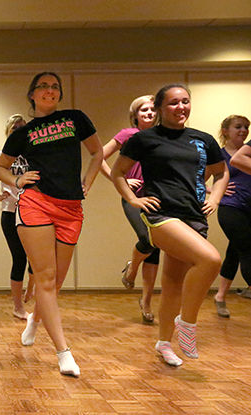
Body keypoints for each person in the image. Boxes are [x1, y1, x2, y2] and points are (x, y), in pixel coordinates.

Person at [111, 84, 228, 367]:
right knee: (211, 259)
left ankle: (164, 343)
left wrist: (215, 197)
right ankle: (187, 323)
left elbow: (221, 172)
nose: (181, 107)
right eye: (174, 103)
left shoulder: (203, 139)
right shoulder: (144, 139)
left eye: (185, 102)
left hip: (194, 216)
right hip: (160, 215)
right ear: (161, 108)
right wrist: (132, 199)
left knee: (173, 284)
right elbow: (118, 172)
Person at [0, 72, 103, 377]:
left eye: (55, 86)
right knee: (45, 278)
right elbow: (1, 167)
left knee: (54, 284)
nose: (50, 90)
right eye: (43, 86)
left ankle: (34, 320)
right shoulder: (23, 132)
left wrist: (88, 182)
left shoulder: (75, 118)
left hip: (71, 207)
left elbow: (97, 152)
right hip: (36, 203)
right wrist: (17, 180)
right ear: (32, 94)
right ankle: (63, 352)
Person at [100, 95, 160, 323]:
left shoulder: (163, 135)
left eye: (153, 109)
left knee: (157, 246)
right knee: (147, 239)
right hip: (133, 197)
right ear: (135, 114)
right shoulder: (127, 135)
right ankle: (133, 268)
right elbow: (100, 157)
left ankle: (146, 301)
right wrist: (120, 181)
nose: (149, 113)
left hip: (158, 198)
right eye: (144, 109)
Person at [0, 114, 35, 320]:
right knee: (19, 257)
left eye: (22, 128)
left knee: (36, 257)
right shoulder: (0, 156)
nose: (19, 132)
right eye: (15, 129)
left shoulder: (33, 155)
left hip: (33, 211)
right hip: (10, 213)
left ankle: (31, 287)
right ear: (8, 133)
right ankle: (18, 306)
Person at [212, 115, 251, 317]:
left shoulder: (249, 151)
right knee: (247, 248)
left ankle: (219, 296)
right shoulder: (218, 155)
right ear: (225, 130)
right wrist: (214, 191)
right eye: (238, 127)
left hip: (250, 209)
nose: (243, 130)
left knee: (235, 250)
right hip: (231, 208)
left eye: (246, 127)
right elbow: (196, 182)